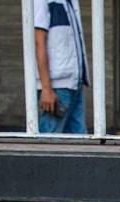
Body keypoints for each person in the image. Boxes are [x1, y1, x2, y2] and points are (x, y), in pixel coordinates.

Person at [33, 0, 89, 134]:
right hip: (57, 85)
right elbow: (38, 42)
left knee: (80, 139)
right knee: (50, 138)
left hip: (74, 82)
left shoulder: (70, 2)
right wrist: (46, 88)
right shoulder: (42, 1)